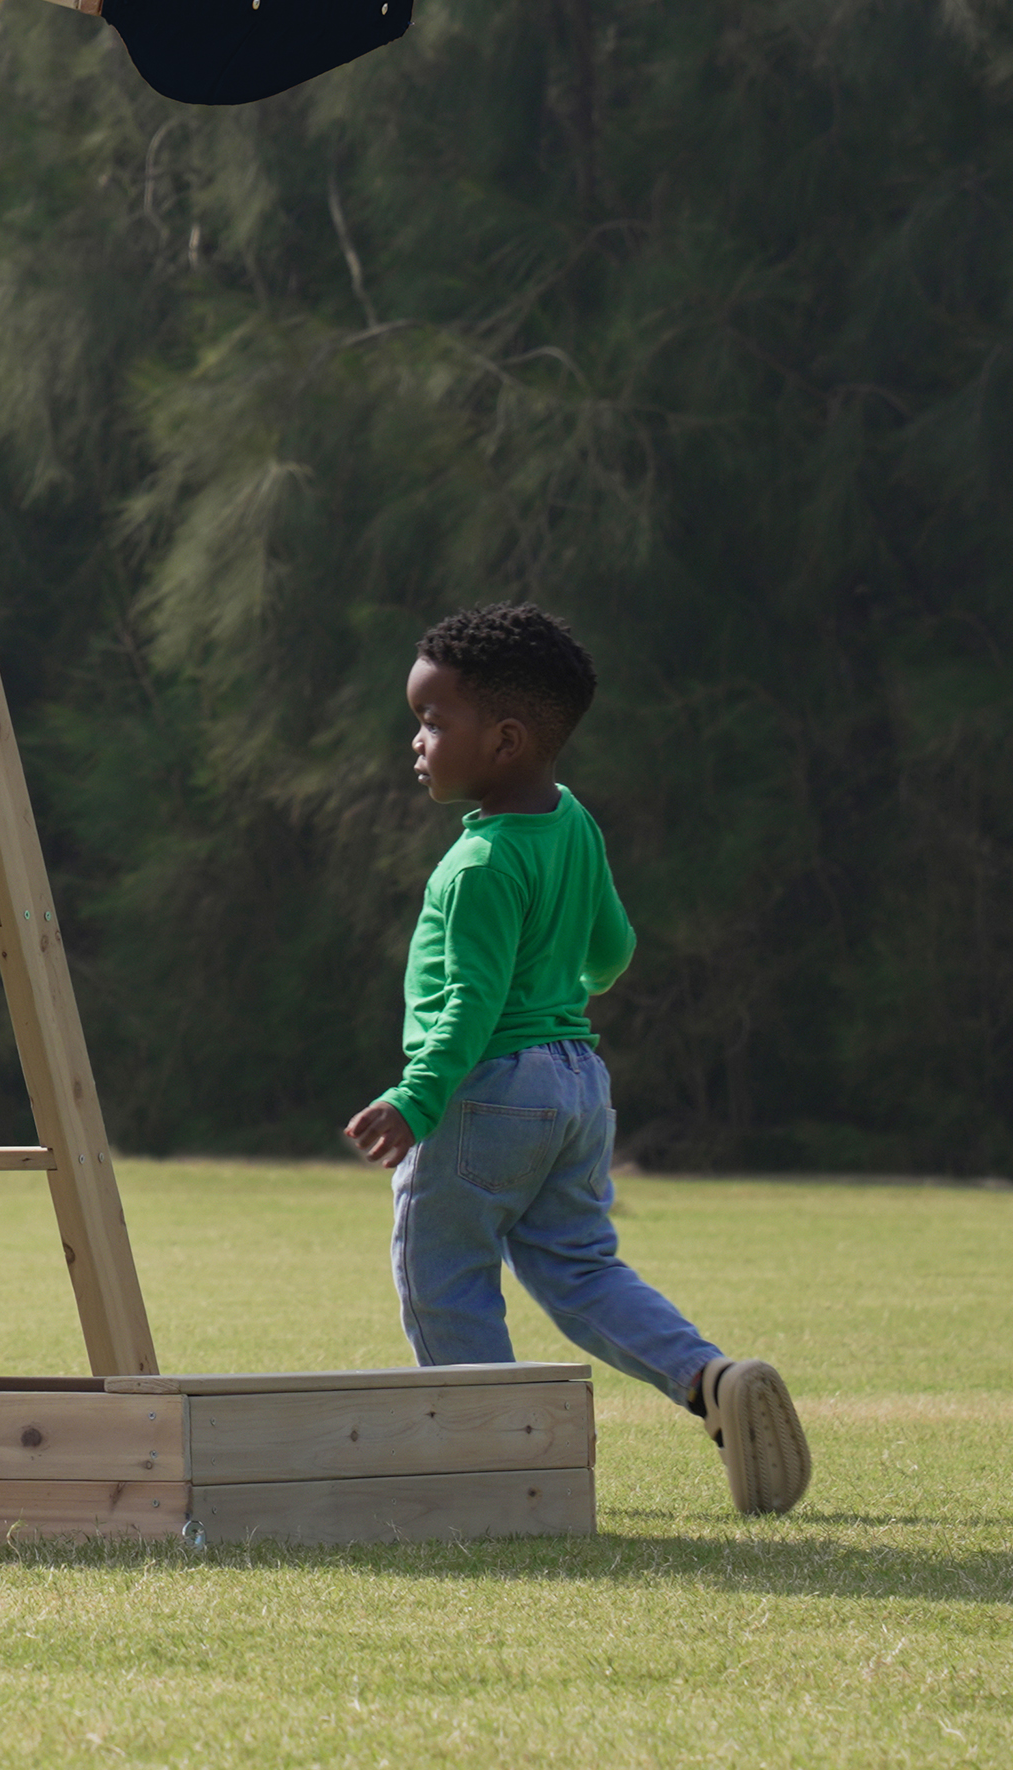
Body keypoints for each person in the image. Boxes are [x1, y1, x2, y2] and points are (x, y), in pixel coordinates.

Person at [342, 603, 809, 1513]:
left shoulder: (476, 865)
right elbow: (614, 950)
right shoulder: (573, 823)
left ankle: (495, 1470)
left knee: (444, 1280)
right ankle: (711, 1379)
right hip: (576, 1084)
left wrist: (416, 1097)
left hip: (486, 1093)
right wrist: (564, 978)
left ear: (506, 739)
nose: (418, 742)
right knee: (581, 1267)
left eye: (435, 722)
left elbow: (469, 1008)